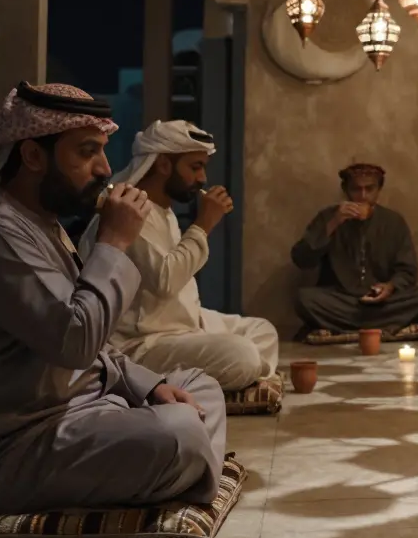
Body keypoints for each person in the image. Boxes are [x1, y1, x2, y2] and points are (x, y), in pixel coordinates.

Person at [0, 82, 227, 514]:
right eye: (88, 152)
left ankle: (182, 471)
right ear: (33, 155)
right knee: (178, 433)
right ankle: (184, 468)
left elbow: (92, 344)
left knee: (199, 389)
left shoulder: (40, 223)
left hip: (72, 409)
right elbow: (75, 341)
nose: (106, 169)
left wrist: (153, 385)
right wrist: (113, 243)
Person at [78, 120, 279, 392]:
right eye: (195, 167)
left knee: (263, 331)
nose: (203, 179)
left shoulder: (163, 210)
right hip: (143, 341)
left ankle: (233, 380)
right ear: (163, 165)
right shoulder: (129, 211)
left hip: (183, 323)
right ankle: (212, 384)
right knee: (241, 355)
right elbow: (165, 280)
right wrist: (204, 224)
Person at [292, 163, 418, 341]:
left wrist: (389, 287)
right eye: (356, 189)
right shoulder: (329, 216)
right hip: (342, 301)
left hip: (384, 303)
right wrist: (334, 223)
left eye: (369, 189)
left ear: (379, 189)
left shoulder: (394, 221)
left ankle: (347, 330)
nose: (363, 196)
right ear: (345, 189)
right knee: (303, 299)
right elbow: (301, 259)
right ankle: (385, 328)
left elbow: (407, 271)